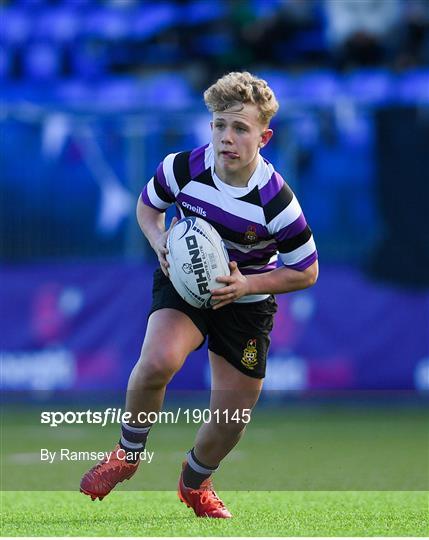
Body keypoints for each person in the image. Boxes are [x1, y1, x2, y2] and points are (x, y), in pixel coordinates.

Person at [80, 71, 318, 518]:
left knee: (232, 418)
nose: (226, 137)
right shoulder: (184, 167)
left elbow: (306, 271)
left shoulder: (277, 202)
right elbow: (148, 206)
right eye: (219, 125)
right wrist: (157, 242)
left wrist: (248, 284)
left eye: (240, 128)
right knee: (157, 362)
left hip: (246, 302)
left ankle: (195, 482)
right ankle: (127, 454)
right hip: (184, 284)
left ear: (264, 137)